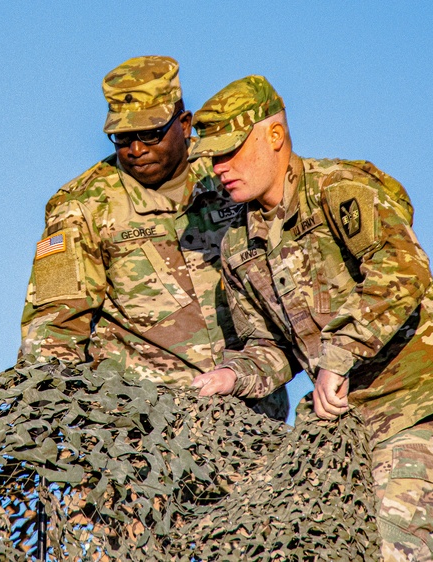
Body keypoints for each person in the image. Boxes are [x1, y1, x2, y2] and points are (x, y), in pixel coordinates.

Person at [187, 75, 433, 561]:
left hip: (412, 409)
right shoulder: (238, 247)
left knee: (388, 550)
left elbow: (402, 269)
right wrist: (230, 376)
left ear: (275, 137)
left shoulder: (338, 191)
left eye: (231, 152)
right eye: (213, 158)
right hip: (333, 430)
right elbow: (269, 351)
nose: (220, 168)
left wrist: (339, 355)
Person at [19, 56, 288, 420]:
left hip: (252, 422)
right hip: (144, 436)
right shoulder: (80, 207)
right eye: (122, 137)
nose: (136, 149)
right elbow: (52, 333)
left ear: (185, 124)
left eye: (150, 133)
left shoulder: (231, 177)